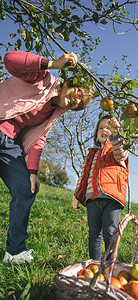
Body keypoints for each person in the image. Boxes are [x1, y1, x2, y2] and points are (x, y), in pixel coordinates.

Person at [0, 50, 95, 264]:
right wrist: (52, 63)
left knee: (26, 189)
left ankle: (14, 252)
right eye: (78, 92)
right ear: (69, 84)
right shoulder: (41, 78)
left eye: (80, 104)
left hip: (9, 145)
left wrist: (32, 172)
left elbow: (38, 141)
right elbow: (9, 60)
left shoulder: (53, 114)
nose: (76, 100)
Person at [72, 115, 129, 261]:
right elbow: (84, 175)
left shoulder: (118, 148)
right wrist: (77, 195)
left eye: (109, 128)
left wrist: (116, 135)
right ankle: (95, 265)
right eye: (101, 127)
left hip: (112, 198)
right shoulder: (92, 153)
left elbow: (121, 155)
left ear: (116, 130)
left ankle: (111, 266)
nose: (104, 130)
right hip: (92, 198)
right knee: (94, 233)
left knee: (110, 232)